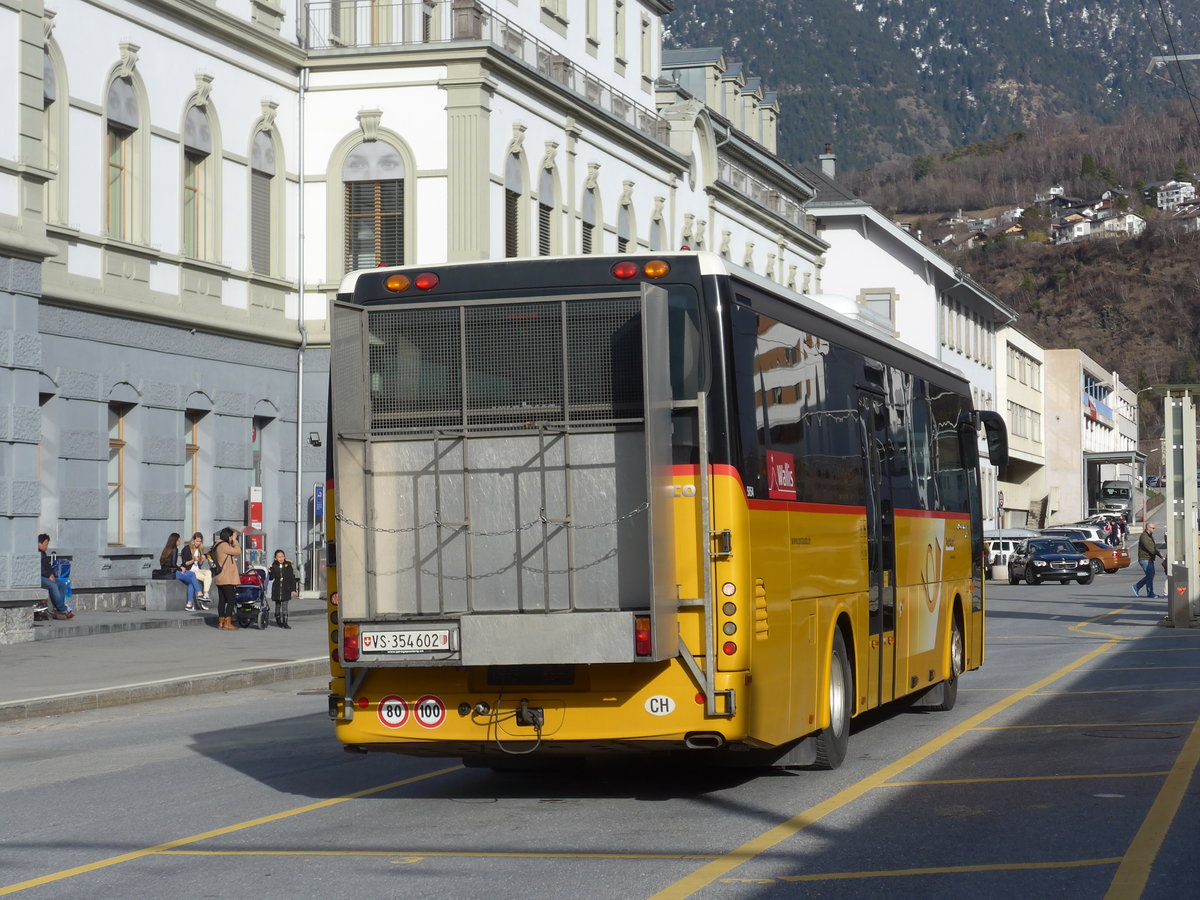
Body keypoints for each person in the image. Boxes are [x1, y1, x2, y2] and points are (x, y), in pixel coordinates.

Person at [160, 532, 204, 611]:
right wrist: (180, 569)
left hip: (167, 572)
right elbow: (173, 564)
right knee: (191, 581)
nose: (180, 541)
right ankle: (191, 601)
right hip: (173, 573)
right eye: (179, 539)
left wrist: (180, 568)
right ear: (176, 540)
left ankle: (197, 595)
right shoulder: (175, 549)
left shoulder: (167, 549)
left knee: (192, 574)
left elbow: (165, 564)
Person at [211, 527, 243, 631]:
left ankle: (221, 622)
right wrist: (235, 541)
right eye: (231, 536)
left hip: (220, 577)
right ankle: (227, 623)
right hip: (226, 578)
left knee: (222, 600)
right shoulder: (224, 545)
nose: (232, 538)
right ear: (228, 536)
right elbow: (238, 551)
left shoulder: (217, 544)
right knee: (231, 599)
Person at [39, 533, 73, 620]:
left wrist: (52, 574)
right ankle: (62, 609)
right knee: (53, 585)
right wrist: (48, 575)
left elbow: (48, 567)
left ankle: (56, 609)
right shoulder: (36, 553)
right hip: (39, 577)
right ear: (40, 543)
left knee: (62, 585)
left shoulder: (43, 553)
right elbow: (38, 569)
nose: (47, 547)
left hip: (46, 576)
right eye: (46, 544)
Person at [181, 532, 212, 611]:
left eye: (200, 541)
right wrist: (193, 560)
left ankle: (205, 594)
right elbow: (185, 563)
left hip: (197, 570)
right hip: (190, 571)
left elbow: (199, 564)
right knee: (204, 579)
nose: (198, 543)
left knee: (208, 572)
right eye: (197, 541)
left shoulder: (200, 549)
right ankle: (202, 601)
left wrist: (202, 560)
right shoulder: (187, 549)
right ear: (193, 540)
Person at [268, 549, 298, 629]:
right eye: (278, 557)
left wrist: (293, 589)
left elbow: (292, 578)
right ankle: (278, 620)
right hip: (277, 588)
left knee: (285, 606)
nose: (281, 558)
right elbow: (271, 578)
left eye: (282, 556)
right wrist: (270, 572)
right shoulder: (274, 566)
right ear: (275, 558)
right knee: (277, 606)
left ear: (284, 557)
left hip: (286, 588)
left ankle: (285, 622)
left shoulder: (288, 565)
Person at [1133, 522, 1164, 598]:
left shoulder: (1149, 536)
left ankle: (1138, 587)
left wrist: (1158, 552)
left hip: (1149, 558)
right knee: (1150, 575)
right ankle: (1148, 592)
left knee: (1150, 575)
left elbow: (1153, 546)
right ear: (1148, 528)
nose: (1154, 529)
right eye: (1153, 528)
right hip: (1145, 559)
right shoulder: (1144, 536)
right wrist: (1159, 554)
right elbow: (1150, 548)